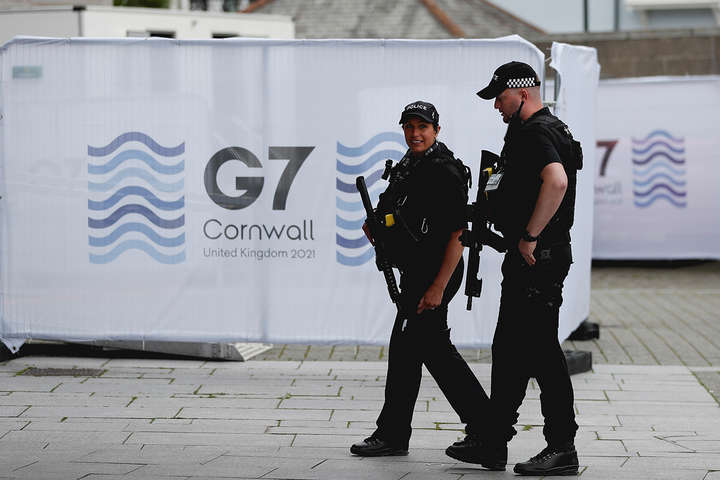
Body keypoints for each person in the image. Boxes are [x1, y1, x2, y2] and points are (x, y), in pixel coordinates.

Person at [444, 62, 583, 476]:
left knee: (541, 351)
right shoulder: (551, 129)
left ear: (522, 93)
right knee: (508, 349)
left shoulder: (534, 132)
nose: (496, 107)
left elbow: (556, 182)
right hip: (532, 259)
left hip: (538, 259)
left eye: (500, 98)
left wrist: (530, 236)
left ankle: (562, 446)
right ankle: (493, 440)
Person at [350, 101, 491, 457]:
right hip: (416, 272)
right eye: (409, 126)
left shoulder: (445, 170)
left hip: (437, 273)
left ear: (436, 130)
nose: (415, 133)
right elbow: (391, 213)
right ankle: (395, 434)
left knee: (433, 351)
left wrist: (438, 287)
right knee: (408, 352)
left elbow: (458, 234)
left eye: (422, 127)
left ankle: (487, 433)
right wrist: (379, 231)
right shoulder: (410, 164)